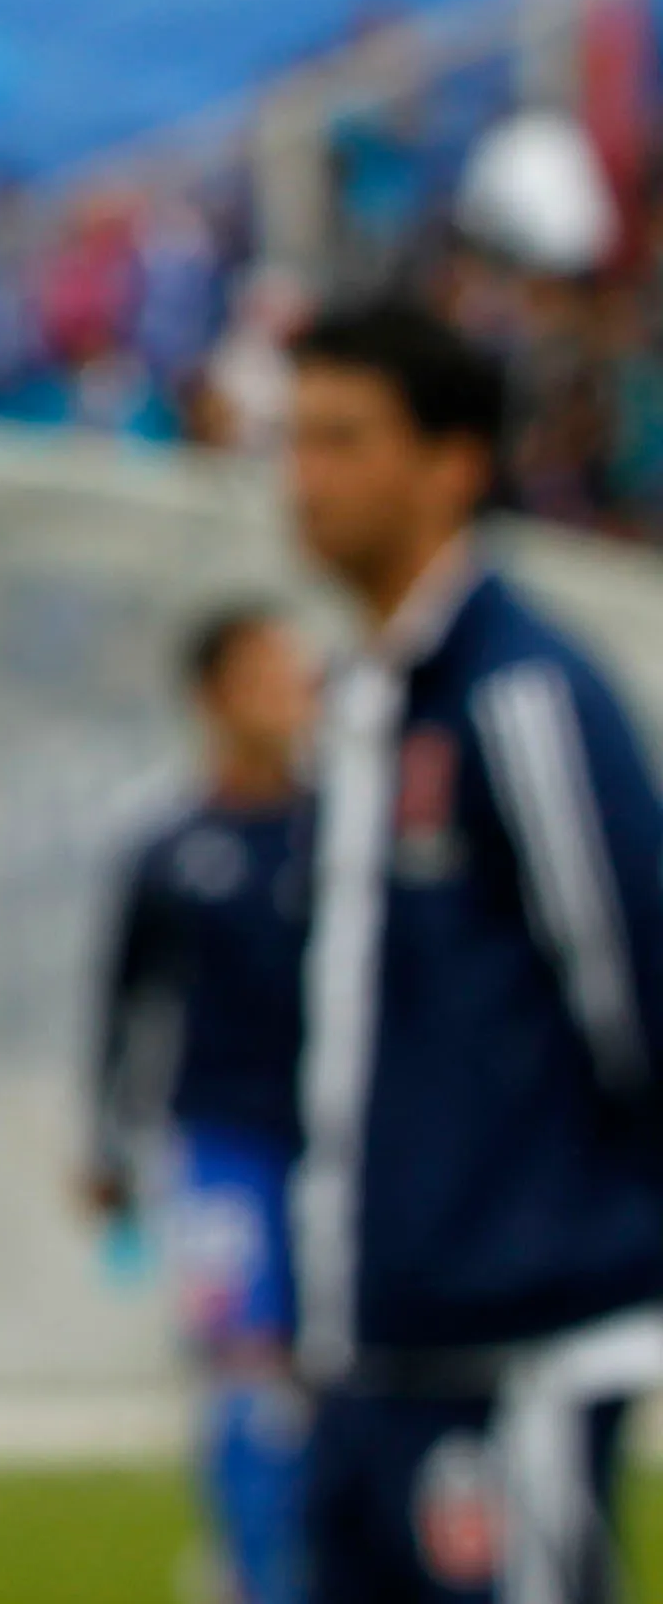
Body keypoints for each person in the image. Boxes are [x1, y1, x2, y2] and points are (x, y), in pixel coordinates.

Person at [288, 298, 663, 1604]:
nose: (304, 478)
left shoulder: (523, 694)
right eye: (295, 440)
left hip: (519, 1358)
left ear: (453, 464)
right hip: (371, 1348)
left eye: (344, 440)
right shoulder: (359, 704)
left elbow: (640, 992)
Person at [90, 603, 319, 1604]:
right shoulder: (167, 844)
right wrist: (104, 1142)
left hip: (334, 1148)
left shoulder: (342, 831)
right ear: (212, 697)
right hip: (218, 1145)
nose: (292, 695)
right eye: (266, 675)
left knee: (329, 1378)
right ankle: (254, 1574)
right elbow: (120, 1002)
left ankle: (308, 1562)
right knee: (243, 1367)